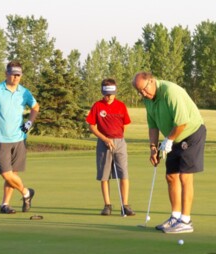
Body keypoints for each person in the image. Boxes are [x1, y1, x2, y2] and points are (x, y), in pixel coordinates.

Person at [132, 72, 206, 234]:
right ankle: (175, 216)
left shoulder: (170, 92)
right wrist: (153, 147)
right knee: (171, 176)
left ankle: (186, 220)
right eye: (139, 92)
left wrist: (169, 140)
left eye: (144, 89)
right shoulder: (148, 99)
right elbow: (153, 125)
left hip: (191, 133)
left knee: (185, 175)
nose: (143, 94)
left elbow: (182, 122)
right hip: (173, 137)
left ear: (151, 81)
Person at [0, 60, 40, 214]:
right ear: (6, 74)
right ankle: (27, 192)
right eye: (13, 74)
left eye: (18, 75)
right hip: (1, 139)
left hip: (19, 138)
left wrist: (29, 124)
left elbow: (35, 107)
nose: (15, 78)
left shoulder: (24, 92)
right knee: (5, 173)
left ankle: (5, 205)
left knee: (12, 175)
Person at [86, 78, 135, 216]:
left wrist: (116, 138)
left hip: (119, 142)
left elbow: (124, 124)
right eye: (107, 94)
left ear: (115, 92)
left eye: (111, 94)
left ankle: (125, 205)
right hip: (103, 143)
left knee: (123, 174)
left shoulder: (121, 105)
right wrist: (105, 139)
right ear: (102, 92)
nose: (109, 97)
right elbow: (91, 126)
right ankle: (107, 205)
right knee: (104, 176)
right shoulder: (97, 106)